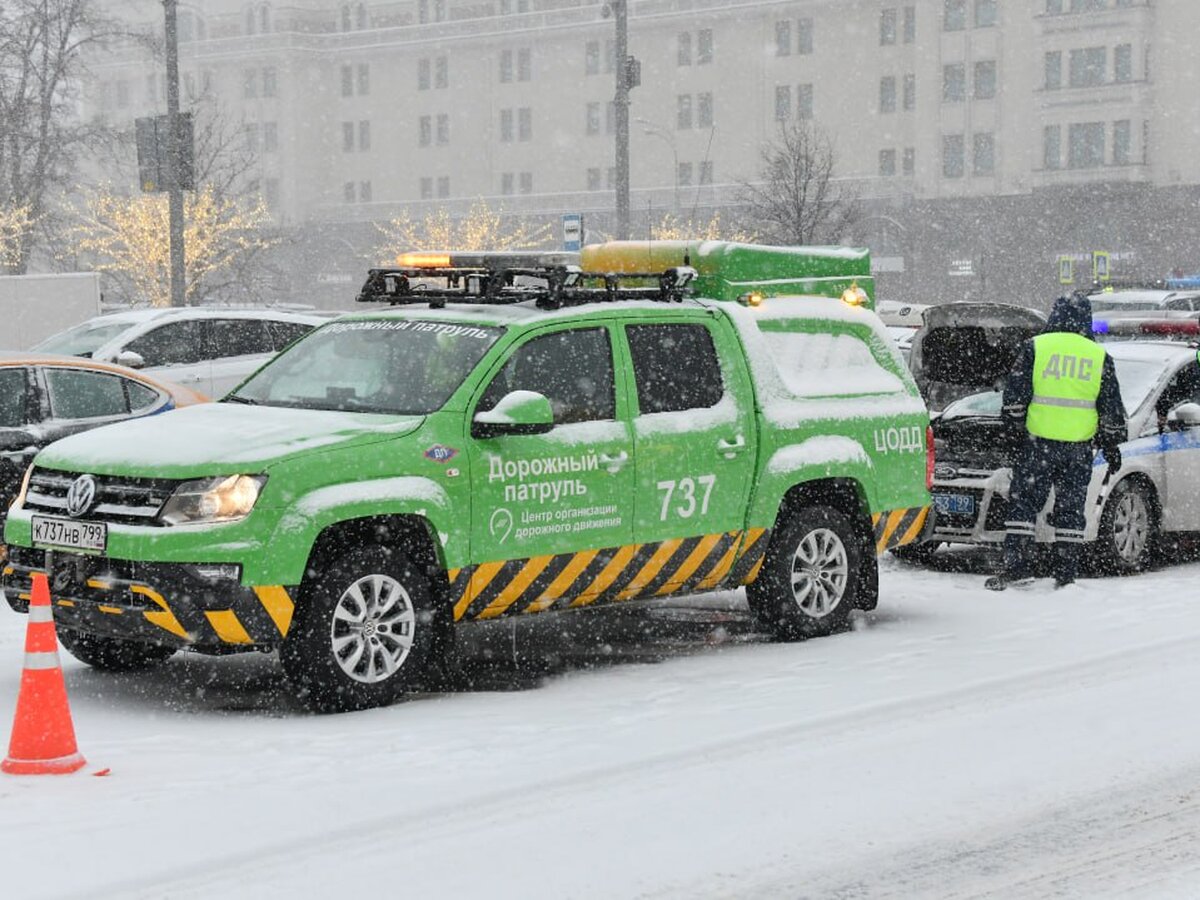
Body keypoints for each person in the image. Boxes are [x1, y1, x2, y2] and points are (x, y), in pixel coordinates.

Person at [985, 292, 1127, 591]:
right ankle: (1065, 575)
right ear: (1085, 319)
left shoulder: (1036, 347)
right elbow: (1111, 408)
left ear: (1055, 315)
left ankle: (1018, 568)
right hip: (1078, 447)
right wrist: (1112, 443)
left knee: (1023, 507)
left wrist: (1013, 432)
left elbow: (1015, 397)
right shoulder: (1098, 356)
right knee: (1071, 510)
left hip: (1039, 443)